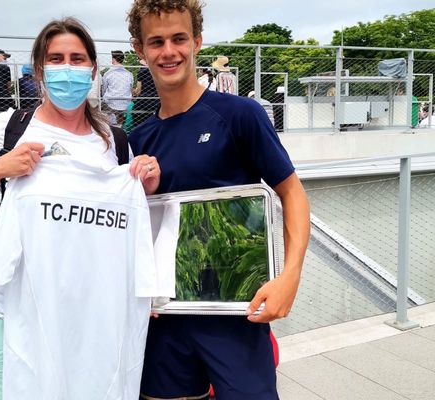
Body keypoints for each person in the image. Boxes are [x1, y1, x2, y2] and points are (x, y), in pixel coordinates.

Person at [0, 17, 163, 400]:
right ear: (39, 69)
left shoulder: (116, 141)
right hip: (20, 318)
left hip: (96, 322)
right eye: (56, 59)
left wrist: (146, 185)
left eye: (77, 59)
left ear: (93, 69)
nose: (67, 68)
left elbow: (138, 227)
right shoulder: (8, 128)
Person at [126, 1, 310, 399]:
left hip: (234, 315)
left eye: (179, 38)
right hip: (163, 320)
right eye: (156, 42)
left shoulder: (240, 114)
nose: (169, 51)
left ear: (197, 42)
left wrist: (289, 276)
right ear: (140, 50)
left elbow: (292, 193)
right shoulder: (137, 140)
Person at [102, 49, 133, 126]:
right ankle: (120, 126)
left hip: (111, 102)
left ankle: (110, 126)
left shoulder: (108, 73)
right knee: (120, 110)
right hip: (125, 103)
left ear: (113, 59)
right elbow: (130, 89)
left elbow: (104, 90)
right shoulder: (129, 74)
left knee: (102, 104)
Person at [132, 58, 159, 128]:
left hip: (144, 99)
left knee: (136, 113)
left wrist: (133, 91)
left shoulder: (142, 71)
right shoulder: (157, 70)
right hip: (157, 99)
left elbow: (138, 90)